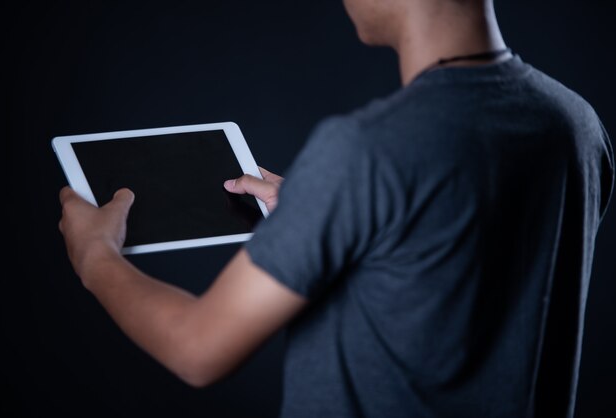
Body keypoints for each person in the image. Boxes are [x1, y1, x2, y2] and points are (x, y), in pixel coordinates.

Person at [58, 0, 614, 416]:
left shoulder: (365, 150)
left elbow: (197, 348)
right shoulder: (576, 125)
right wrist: (337, 214)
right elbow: (464, 277)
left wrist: (96, 256)